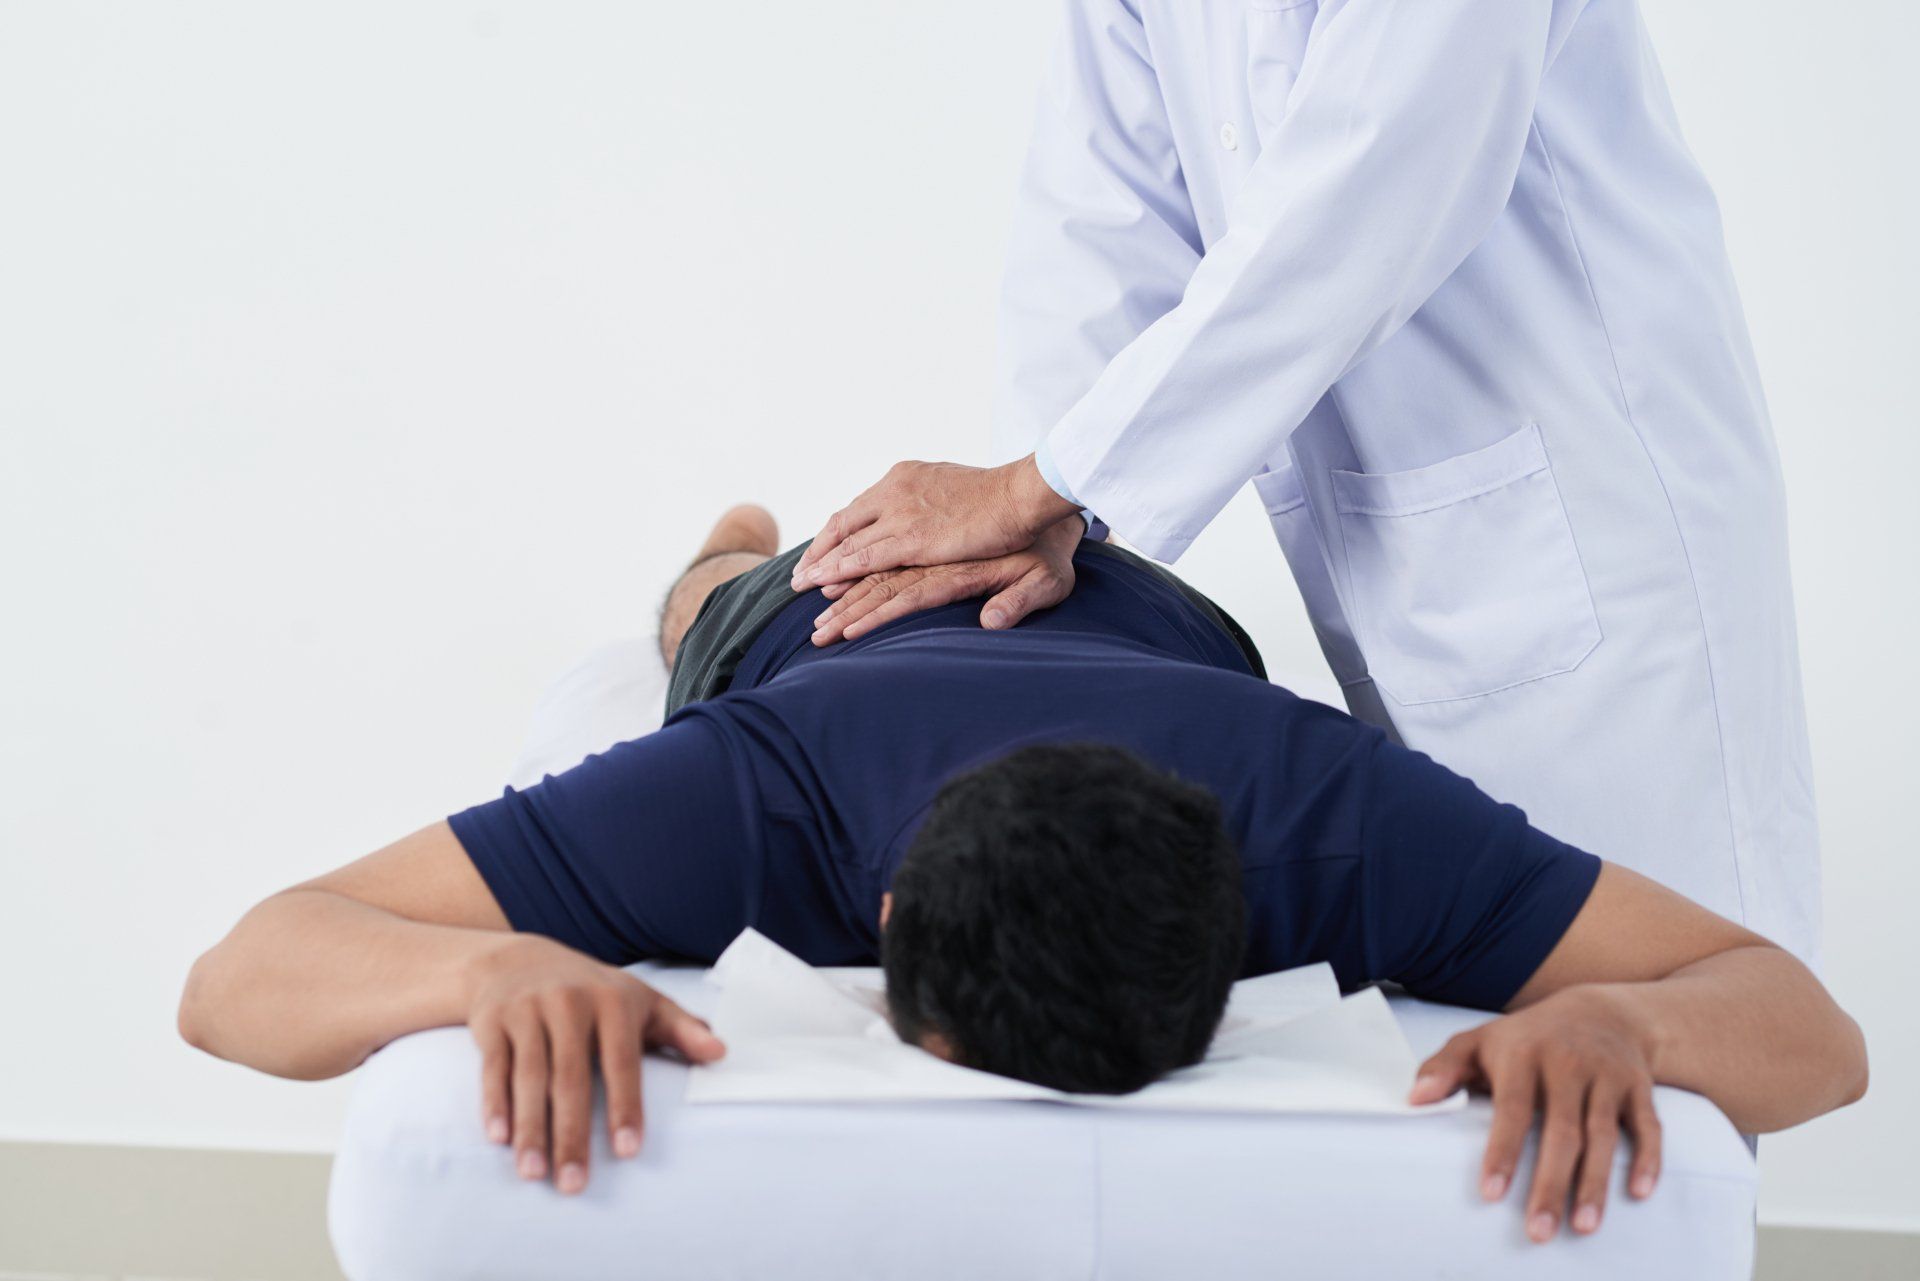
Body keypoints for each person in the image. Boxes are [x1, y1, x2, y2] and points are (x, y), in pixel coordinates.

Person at [178, 506, 1864, 1247]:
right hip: (821, 626)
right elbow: (239, 978)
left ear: (1247, 919)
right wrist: (482, 969)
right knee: (711, 606)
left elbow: (1806, 1029)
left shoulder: (1337, 818)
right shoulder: (750, 796)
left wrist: (1636, 1030)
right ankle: (721, 534)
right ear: (883, 917)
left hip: (1151, 614)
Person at [784, 0, 1820, 967]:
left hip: (1607, 526)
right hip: (1410, 547)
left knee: (1676, 1004)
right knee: (1484, 1021)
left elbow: (1383, 176)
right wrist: (1040, 517)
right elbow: (1104, 210)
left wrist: (1043, 482)